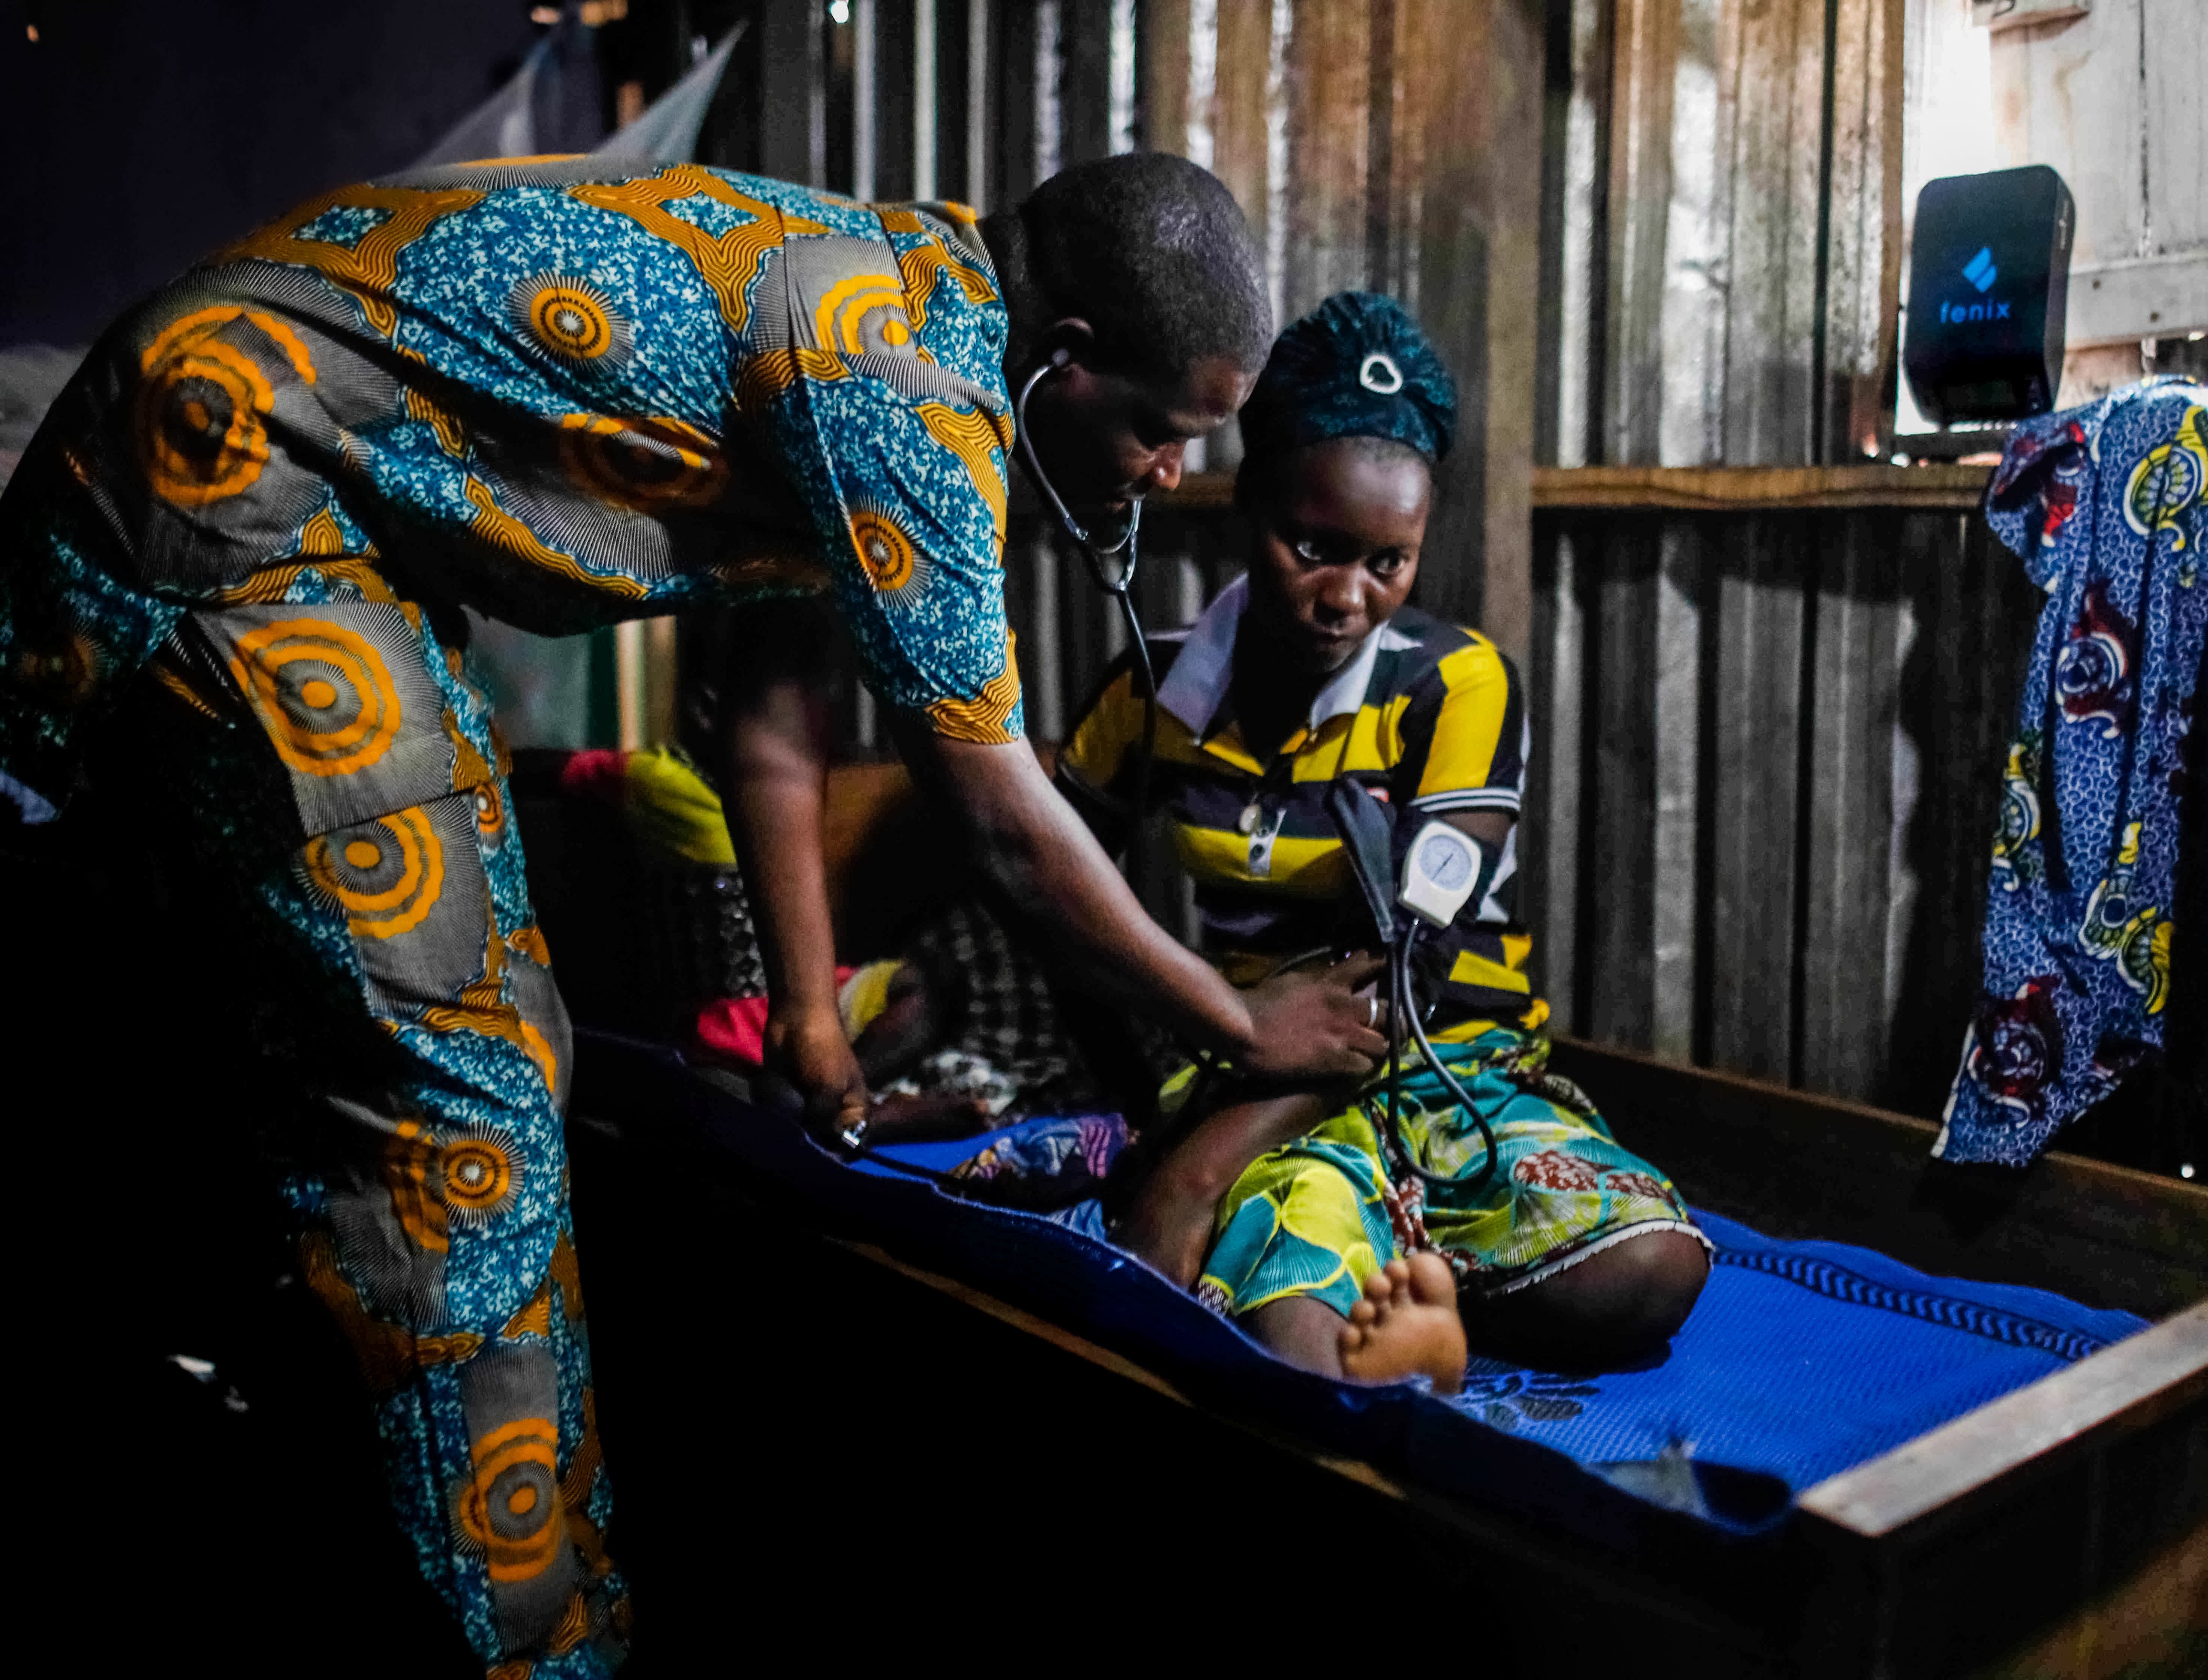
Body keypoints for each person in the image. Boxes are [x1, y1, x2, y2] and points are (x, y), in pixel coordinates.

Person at [0, 152, 1382, 1672]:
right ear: (1064, 363)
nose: (1171, 475)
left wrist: (807, 1016)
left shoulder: (897, 294)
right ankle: (531, 1651)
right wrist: (1239, 1015)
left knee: (415, 1037)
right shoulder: (909, 388)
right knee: (468, 1097)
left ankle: (293, 1423)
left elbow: (782, 715)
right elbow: (995, 814)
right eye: (1161, 431)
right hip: (229, 485)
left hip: (243, 458)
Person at [1059, 292, 1710, 1393]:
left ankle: (1393, 1286)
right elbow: (1064, 898)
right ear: (1244, 506)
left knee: (1653, 1265)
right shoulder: (1153, 689)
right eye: (1313, 547)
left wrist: (1193, 1173)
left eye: (1389, 563)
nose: (1346, 598)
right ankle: (1394, 1334)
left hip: (1449, 1064)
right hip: (1256, 1073)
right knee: (1294, 1330)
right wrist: (1149, 1110)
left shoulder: (1455, 683)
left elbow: (1413, 961)